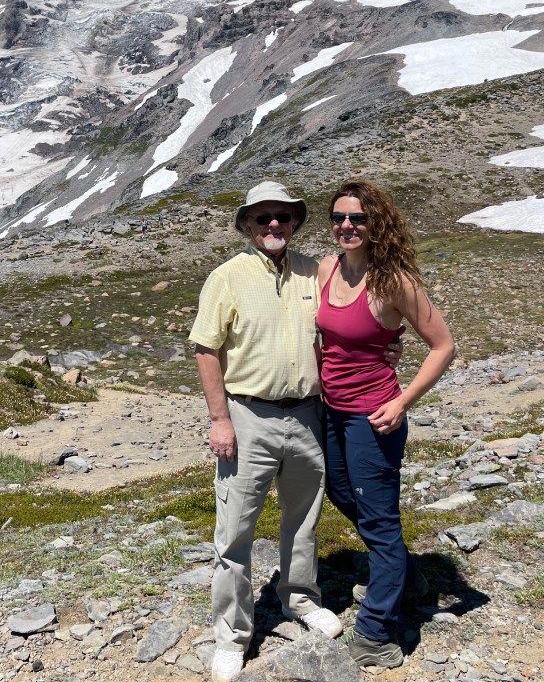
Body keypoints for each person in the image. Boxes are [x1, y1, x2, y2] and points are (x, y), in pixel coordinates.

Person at [190, 181, 343, 682]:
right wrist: (220, 420)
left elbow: (341, 329)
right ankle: (232, 635)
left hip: (307, 414)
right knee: (234, 531)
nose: (273, 224)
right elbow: (206, 350)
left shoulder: (314, 272)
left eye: (282, 216)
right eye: (262, 217)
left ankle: (300, 599)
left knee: (303, 518)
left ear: (294, 222)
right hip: (247, 415)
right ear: (247, 225)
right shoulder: (226, 278)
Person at [317, 179, 456, 669]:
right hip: (331, 410)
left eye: (357, 218)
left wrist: (402, 402)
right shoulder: (327, 268)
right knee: (339, 491)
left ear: (376, 224)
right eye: (339, 218)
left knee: (379, 522)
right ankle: (403, 572)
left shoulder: (395, 281)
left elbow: (444, 346)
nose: (347, 226)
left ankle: (375, 633)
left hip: (373, 416)